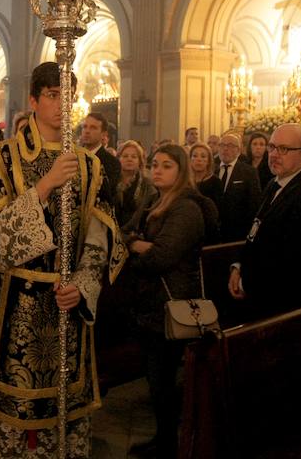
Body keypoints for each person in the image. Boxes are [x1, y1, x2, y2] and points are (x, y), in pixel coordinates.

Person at [0, 62, 126, 458]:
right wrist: (45, 186)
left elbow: (100, 241)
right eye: (52, 95)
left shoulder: (90, 164)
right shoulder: (0, 159)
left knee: (63, 421)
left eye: (68, 95)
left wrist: (82, 284)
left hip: (66, 308)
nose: (62, 104)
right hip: (13, 309)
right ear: (33, 100)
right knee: (10, 419)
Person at [122, 144, 219, 459]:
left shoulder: (186, 207)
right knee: (155, 378)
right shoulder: (155, 199)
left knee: (163, 379)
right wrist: (137, 243)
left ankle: (169, 444)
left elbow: (162, 257)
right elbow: (126, 232)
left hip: (171, 301)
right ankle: (163, 438)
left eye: (167, 165)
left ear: (181, 171)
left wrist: (136, 248)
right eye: (155, 164)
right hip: (151, 302)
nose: (158, 170)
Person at [229, 124, 301, 319]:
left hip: (293, 305)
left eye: (284, 149)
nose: (274, 154)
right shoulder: (275, 182)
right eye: (272, 147)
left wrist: (247, 283)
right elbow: (256, 230)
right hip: (268, 296)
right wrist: (238, 265)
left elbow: (292, 262)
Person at [210, 132, 261, 243]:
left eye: (230, 146)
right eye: (222, 145)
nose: (225, 149)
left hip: (237, 232)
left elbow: (254, 204)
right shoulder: (211, 170)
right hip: (213, 232)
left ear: (238, 150)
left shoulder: (249, 172)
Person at [114, 139, 157, 229]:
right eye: (125, 156)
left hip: (136, 231)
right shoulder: (111, 181)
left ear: (140, 161)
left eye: (134, 157)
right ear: (118, 159)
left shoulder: (147, 185)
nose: (129, 159)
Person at [80, 112, 122, 199]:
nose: (87, 131)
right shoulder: (73, 157)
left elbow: (107, 194)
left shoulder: (112, 162)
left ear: (104, 134)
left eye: (93, 128)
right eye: (85, 127)